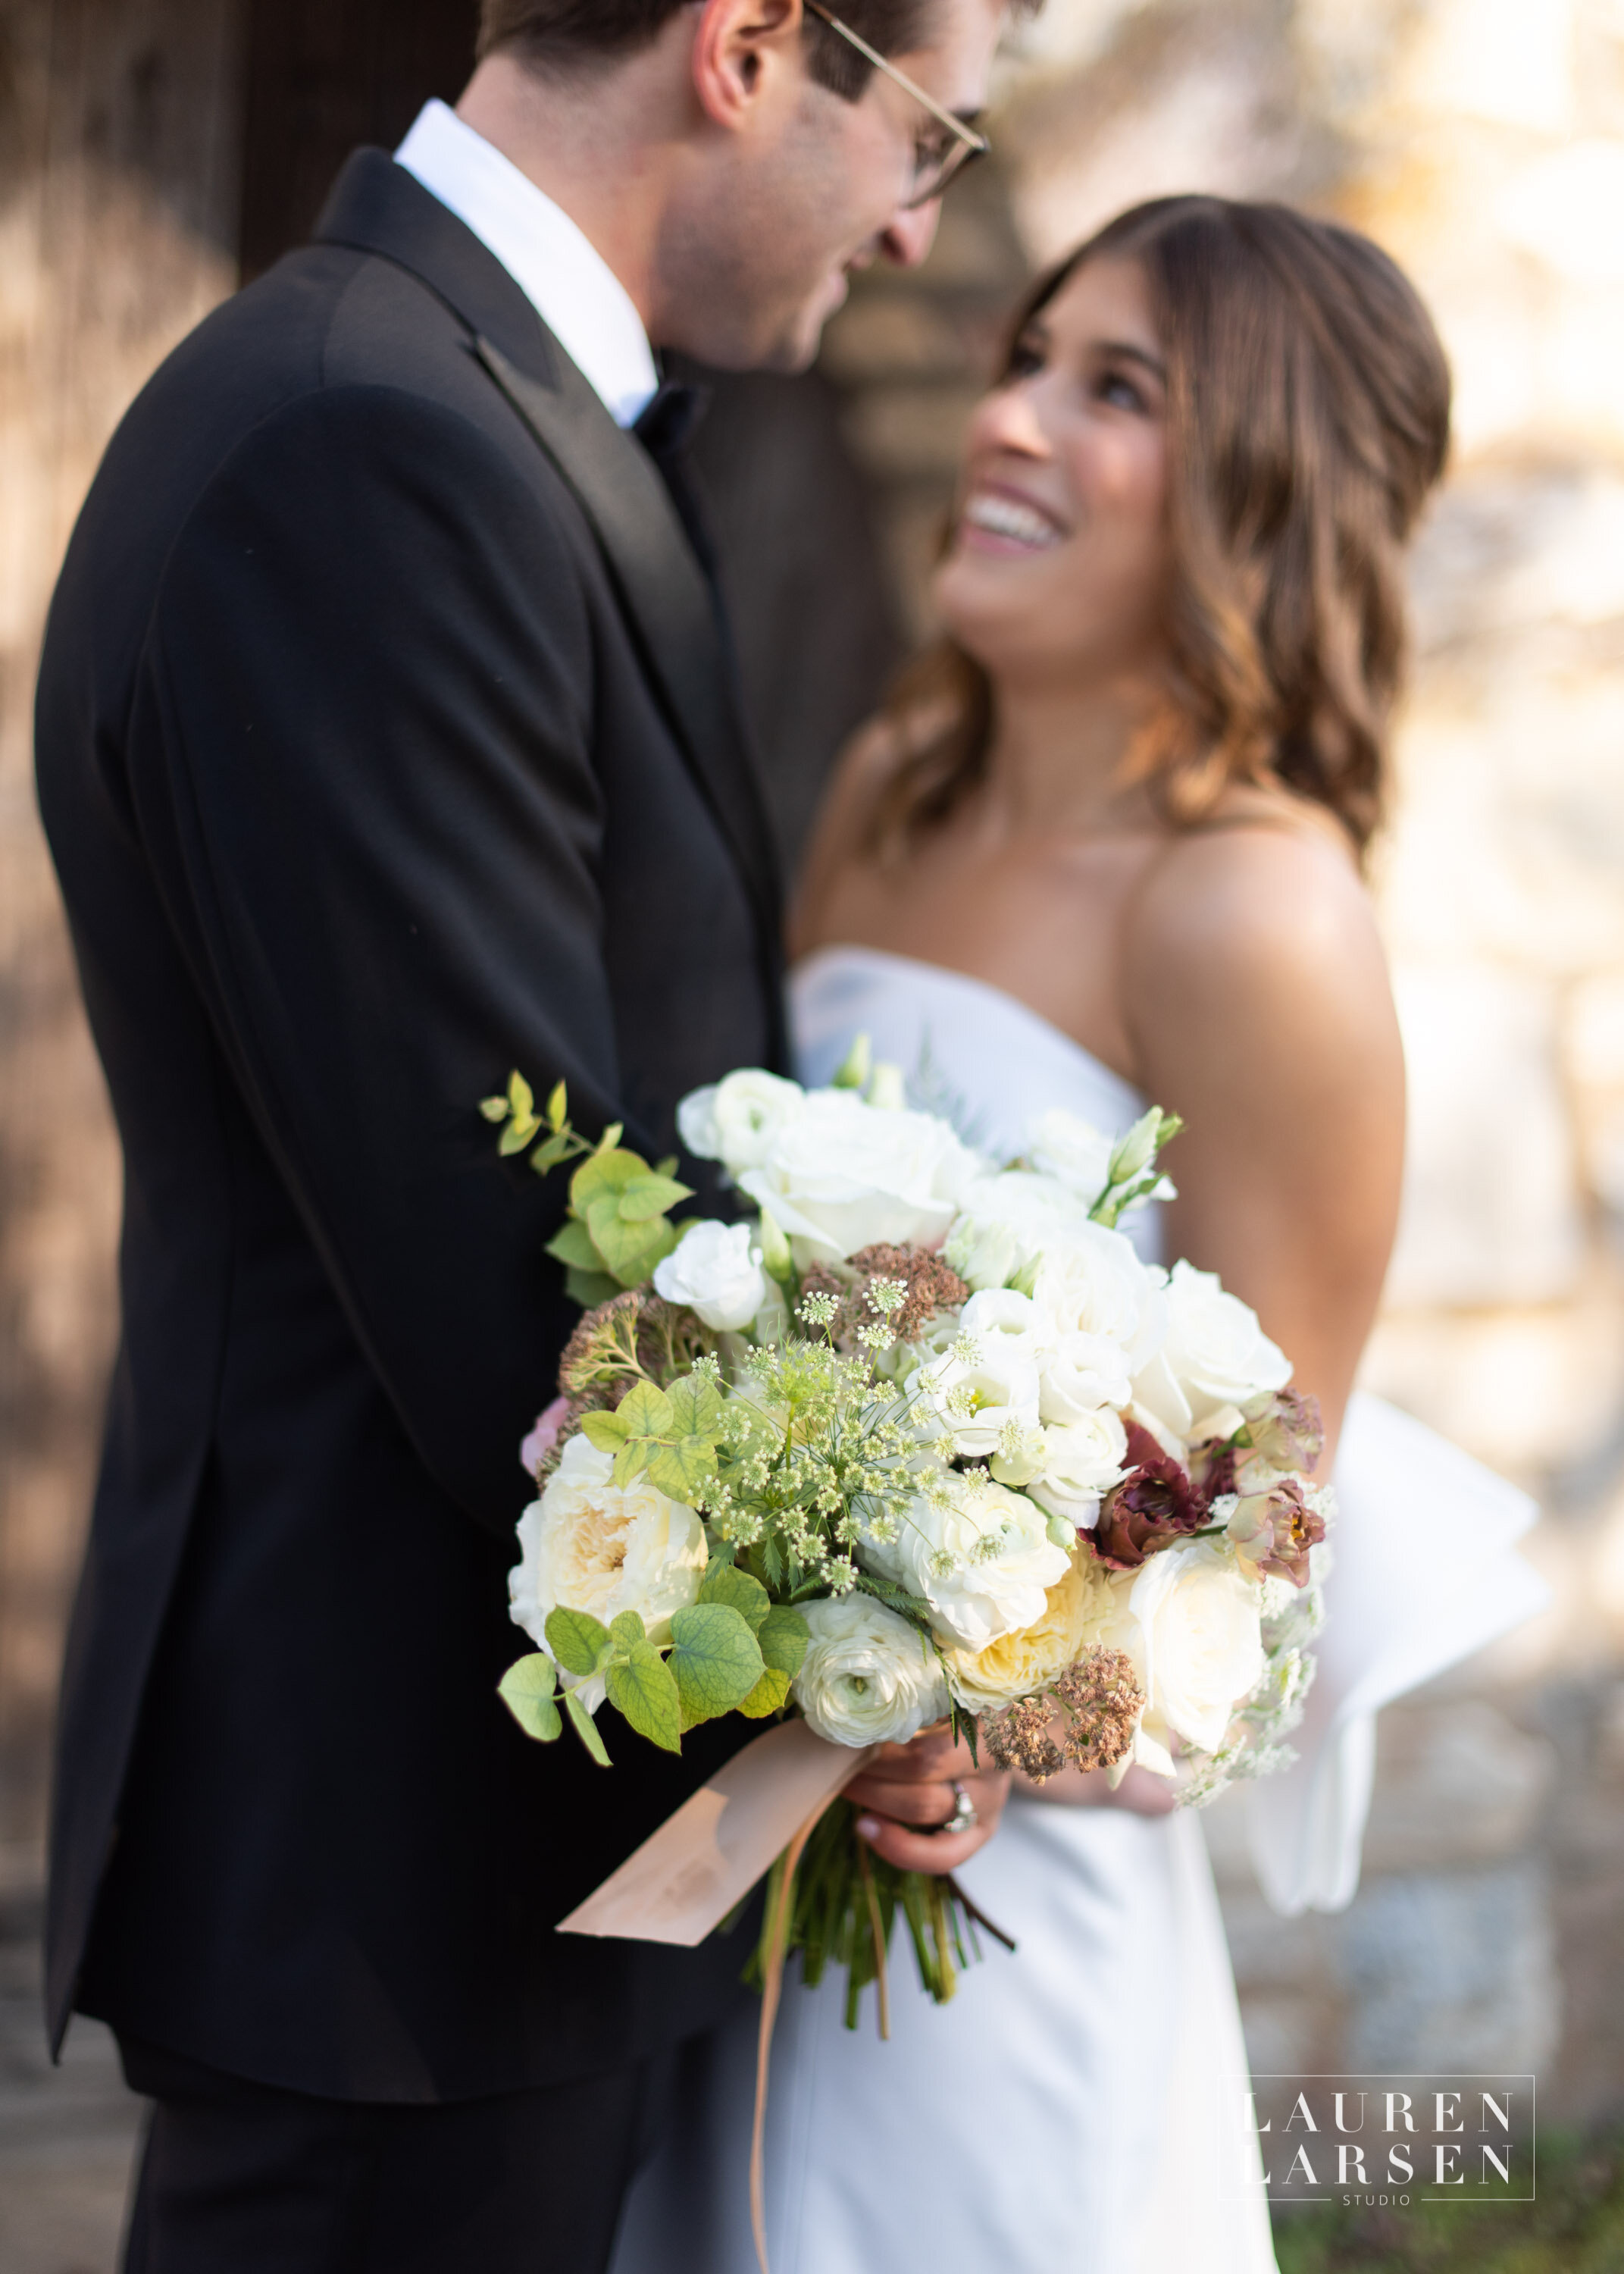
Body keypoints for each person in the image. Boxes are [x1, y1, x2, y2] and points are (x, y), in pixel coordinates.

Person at [33, 4, 1030, 2267]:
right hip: (399, 1888)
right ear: (751, 46)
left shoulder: (470, 405)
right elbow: (519, 1266)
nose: (918, 222)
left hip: (514, 1877)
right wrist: (888, 1648)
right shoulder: (359, 448)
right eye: (931, 133)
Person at [611, 196, 1546, 2273]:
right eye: (1027, 359)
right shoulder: (892, 792)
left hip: (988, 1944)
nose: (1012, 419)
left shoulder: (1256, 912)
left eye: (1112, 389)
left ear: (1257, 490)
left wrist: (970, 1728)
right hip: (734, 1898)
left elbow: (1256, 1585)